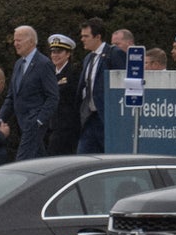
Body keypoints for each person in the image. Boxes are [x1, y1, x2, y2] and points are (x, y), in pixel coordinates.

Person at [0, 25, 59, 160]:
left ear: (31, 42)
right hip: (23, 123)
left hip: (34, 122)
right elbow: (12, 97)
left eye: (19, 40)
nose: (15, 44)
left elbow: (53, 96)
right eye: (15, 40)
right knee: (39, 160)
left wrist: (39, 120)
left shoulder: (43, 64)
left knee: (22, 160)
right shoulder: (18, 64)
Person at [76, 17, 127, 154]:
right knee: (84, 157)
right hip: (89, 118)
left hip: (106, 118)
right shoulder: (88, 58)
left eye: (86, 36)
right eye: (82, 36)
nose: (82, 39)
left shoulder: (114, 54)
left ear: (98, 37)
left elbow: (123, 85)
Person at [45, 33, 80, 156]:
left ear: (68, 54)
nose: (55, 55)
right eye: (53, 52)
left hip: (67, 128)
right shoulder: (49, 74)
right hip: (51, 126)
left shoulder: (73, 73)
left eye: (59, 52)